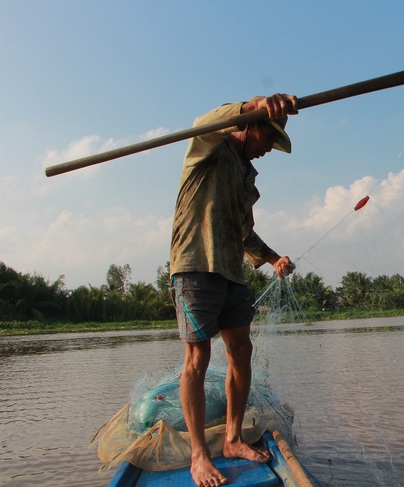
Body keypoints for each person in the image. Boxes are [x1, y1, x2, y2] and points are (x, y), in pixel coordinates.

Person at [169, 93, 299, 487]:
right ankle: (198, 455)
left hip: (230, 271)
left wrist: (274, 258)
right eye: (267, 141)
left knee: (242, 352)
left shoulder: (246, 177)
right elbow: (201, 121)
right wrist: (253, 103)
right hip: (195, 265)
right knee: (198, 356)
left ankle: (231, 439)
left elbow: (245, 233)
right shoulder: (208, 145)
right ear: (253, 126)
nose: (267, 151)